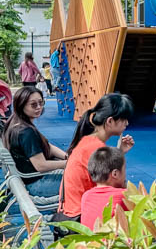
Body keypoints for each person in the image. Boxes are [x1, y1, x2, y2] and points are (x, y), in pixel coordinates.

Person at [56, 93, 135, 223]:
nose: (126, 123)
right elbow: (115, 184)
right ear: (110, 121)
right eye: (124, 119)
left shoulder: (88, 141)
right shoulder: (95, 148)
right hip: (81, 216)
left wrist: (119, 152)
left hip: (70, 211)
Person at [2, 86, 68, 198]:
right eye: (33, 105)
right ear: (21, 105)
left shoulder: (15, 124)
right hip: (37, 184)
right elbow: (41, 165)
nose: (39, 107)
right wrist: (70, 163)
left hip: (29, 180)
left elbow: (47, 146)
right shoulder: (26, 132)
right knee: (87, 178)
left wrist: (66, 156)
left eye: (41, 103)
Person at [80, 146, 130, 230]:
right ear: (115, 174)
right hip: (111, 242)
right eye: (124, 169)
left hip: (88, 241)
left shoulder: (86, 196)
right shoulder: (124, 195)